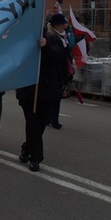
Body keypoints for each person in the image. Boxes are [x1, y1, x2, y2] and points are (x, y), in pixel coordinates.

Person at [16, 26, 68, 172]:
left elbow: (59, 58)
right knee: (32, 122)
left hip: (47, 91)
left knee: (39, 124)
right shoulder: (22, 40)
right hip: (27, 91)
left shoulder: (52, 39)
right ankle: (35, 157)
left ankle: (26, 148)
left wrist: (45, 47)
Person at [45, 13, 73, 129]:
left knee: (56, 96)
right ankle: (52, 119)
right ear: (56, 25)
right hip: (54, 71)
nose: (64, 26)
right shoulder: (52, 36)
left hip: (62, 69)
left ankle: (51, 118)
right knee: (54, 96)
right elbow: (56, 55)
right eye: (62, 24)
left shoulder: (64, 36)